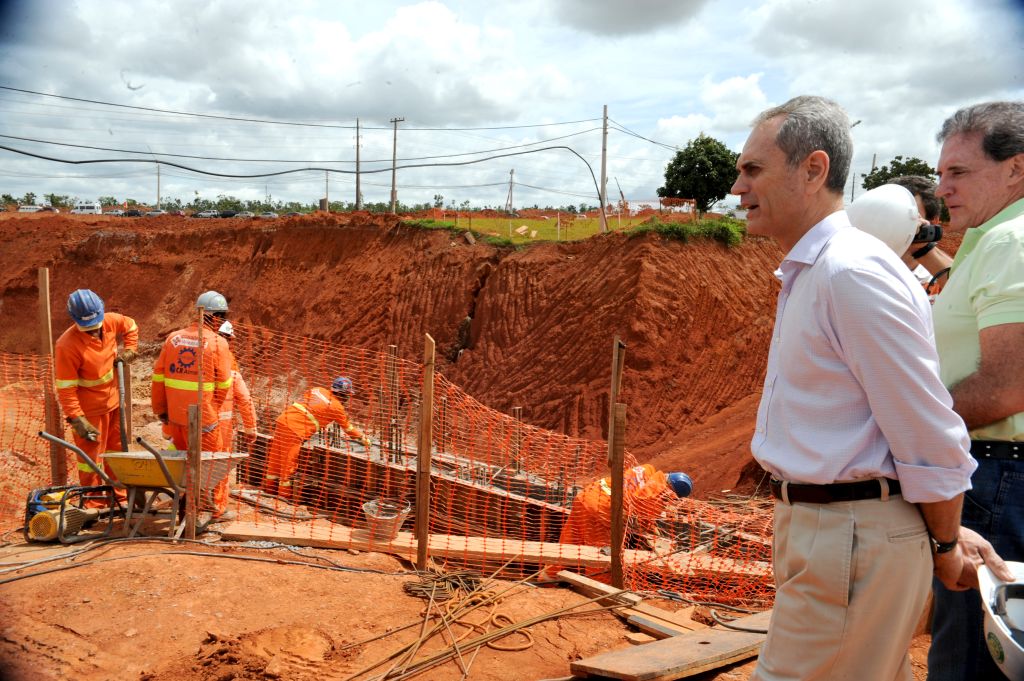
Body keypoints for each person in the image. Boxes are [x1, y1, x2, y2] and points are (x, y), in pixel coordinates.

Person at [731, 95, 976, 681]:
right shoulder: (820, 269)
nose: (737, 186)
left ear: (813, 170)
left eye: (753, 169)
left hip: (849, 538)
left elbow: (925, 427)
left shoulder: (850, 273)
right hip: (836, 532)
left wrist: (944, 544)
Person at [927, 101, 1024, 681]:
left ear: (1016, 168)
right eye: (941, 174)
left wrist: (906, 423)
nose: (943, 189)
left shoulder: (1010, 241)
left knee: (970, 660)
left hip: (995, 478)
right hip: (998, 474)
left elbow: (1007, 386)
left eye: (959, 173)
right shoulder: (994, 237)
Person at [150, 290, 233, 519]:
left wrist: (161, 410)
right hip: (204, 419)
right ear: (215, 317)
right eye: (222, 317)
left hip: (176, 419)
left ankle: (184, 507)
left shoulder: (173, 339)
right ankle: (207, 511)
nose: (223, 322)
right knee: (210, 465)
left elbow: (158, 378)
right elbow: (224, 385)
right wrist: (211, 409)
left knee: (183, 465)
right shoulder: (218, 343)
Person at [54, 289, 138, 508]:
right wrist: (76, 417)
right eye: (88, 328)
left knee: (117, 453)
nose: (93, 332)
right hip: (88, 412)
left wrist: (130, 350)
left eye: (95, 326)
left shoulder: (110, 322)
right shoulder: (67, 345)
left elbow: (131, 326)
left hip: (113, 403)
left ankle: (120, 497)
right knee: (89, 461)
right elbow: (66, 388)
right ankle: (94, 502)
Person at [539, 465, 692, 582]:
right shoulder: (655, 495)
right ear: (671, 491)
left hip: (587, 496)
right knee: (601, 555)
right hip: (601, 511)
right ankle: (598, 587)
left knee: (570, 543)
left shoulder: (647, 470)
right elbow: (644, 515)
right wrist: (650, 528)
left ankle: (547, 578)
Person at [261, 377, 371, 502]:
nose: (348, 398)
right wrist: (363, 439)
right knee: (288, 463)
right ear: (344, 394)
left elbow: (311, 406)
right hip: (295, 429)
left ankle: (269, 489)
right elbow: (348, 428)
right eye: (348, 395)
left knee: (276, 458)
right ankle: (283, 497)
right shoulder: (337, 407)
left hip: (283, 420)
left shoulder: (317, 390)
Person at [887, 174, 955, 294]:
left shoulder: (937, 280)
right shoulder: (860, 269)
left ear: (933, 221)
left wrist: (923, 249)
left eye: (909, 214)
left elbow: (966, 293)